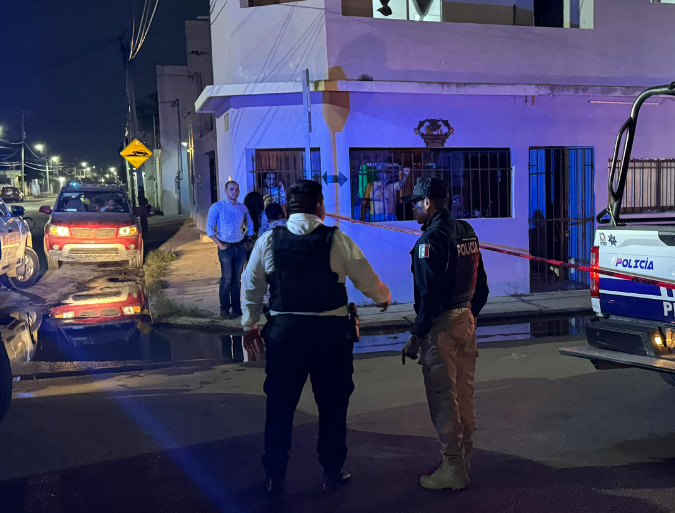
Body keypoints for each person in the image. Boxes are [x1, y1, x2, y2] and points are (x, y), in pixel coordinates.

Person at [241, 180, 391, 494]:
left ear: (286, 210)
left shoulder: (269, 240)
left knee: (279, 409)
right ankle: (332, 471)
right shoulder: (337, 239)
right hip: (330, 338)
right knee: (333, 407)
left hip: (285, 336)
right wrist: (382, 297)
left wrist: (249, 325)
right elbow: (367, 279)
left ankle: (275, 476)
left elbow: (251, 286)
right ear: (320, 207)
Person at [399, 176, 488, 491]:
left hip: (443, 327)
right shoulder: (466, 231)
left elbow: (430, 296)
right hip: (465, 320)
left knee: (443, 398)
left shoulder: (430, 241)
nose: (413, 210)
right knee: (464, 393)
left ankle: (453, 467)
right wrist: (468, 315)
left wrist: (416, 336)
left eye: (415, 204)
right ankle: (464, 458)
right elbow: (482, 284)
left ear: (428, 203)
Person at [206, 179, 251, 318]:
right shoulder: (217, 207)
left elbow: (250, 224)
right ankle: (224, 309)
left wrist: (248, 240)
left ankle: (236, 309)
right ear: (225, 191)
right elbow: (209, 229)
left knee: (237, 280)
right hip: (225, 247)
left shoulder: (242, 207)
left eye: (237, 189)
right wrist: (220, 245)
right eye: (231, 189)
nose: (235, 192)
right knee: (226, 279)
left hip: (239, 246)